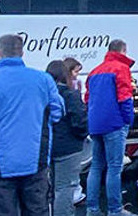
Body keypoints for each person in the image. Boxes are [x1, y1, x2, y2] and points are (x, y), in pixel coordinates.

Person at [0, 35, 64, 216]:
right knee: (37, 211)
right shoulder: (44, 80)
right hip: (35, 160)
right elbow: (58, 112)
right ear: (22, 53)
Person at [85, 39, 135, 216]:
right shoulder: (121, 69)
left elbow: (87, 99)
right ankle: (115, 210)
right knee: (115, 167)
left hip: (96, 124)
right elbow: (125, 98)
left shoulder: (94, 71)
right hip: (114, 123)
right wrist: (129, 120)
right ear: (123, 50)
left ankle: (92, 209)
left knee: (97, 166)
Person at [46, 61, 88, 216]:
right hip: (69, 147)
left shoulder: (44, 94)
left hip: (49, 145)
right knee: (65, 188)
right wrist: (82, 136)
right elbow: (80, 122)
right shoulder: (70, 94)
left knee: (53, 187)